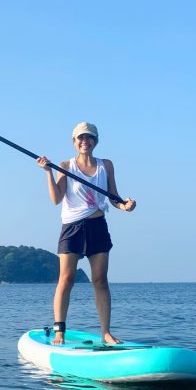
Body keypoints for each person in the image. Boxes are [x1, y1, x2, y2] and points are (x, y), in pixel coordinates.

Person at [37, 122, 136, 346]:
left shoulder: (106, 165)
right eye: (80, 138)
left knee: (100, 280)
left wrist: (125, 206)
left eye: (89, 138)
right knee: (66, 278)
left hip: (97, 224)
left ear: (95, 141)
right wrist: (48, 172)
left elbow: (114, 197)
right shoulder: (65, 166)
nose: (85, 141)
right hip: (72, 227)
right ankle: (60, 331)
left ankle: (106, 333)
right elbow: (56, 199)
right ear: (74, 142)